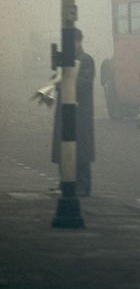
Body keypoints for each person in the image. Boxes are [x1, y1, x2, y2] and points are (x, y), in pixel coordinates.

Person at [52, 28, 95, 196]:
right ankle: (66, 183)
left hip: (79, 114)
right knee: (65, 149)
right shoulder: (68, 59)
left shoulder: (85, 60)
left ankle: (83, 187)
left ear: (77, 41)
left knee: (81, 152)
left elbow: (80, 84)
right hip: (66, 112)